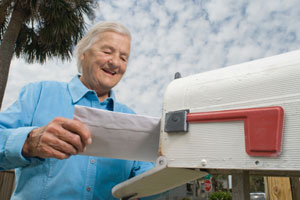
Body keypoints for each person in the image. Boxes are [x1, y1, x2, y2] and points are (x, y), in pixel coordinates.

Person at [0, 21, 156, 200]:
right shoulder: (38, 93)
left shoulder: (132, 119)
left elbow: (149, 182)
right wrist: (28, 142)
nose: (115, 63)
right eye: (107, 52)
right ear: (83, 53)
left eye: (123, 57)